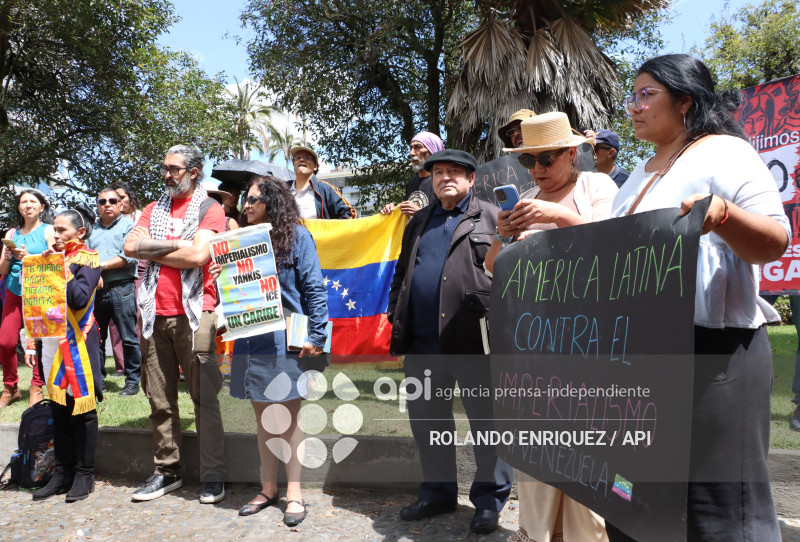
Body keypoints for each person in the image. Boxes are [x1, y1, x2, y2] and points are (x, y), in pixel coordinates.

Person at [607, 54, 789, 542]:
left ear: (685, 101)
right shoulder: (636, 175)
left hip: (713, 354)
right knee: (634, 500)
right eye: (632, 95)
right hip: (638, 360)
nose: (634, 106)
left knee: (718, 510)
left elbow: (775, 240)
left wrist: (723, 215)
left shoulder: (724, 152)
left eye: (647, 95)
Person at [486, 111, 618, 542]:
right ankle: (538, 533)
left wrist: (556, 216)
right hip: (535, 343)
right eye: (529, 161)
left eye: (546, 158)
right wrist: (504, 235)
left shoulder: (597, 186)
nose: (538, 170)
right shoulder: (525, 198)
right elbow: (493, 268)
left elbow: (615, 244)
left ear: (571, 154)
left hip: (588, 342)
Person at [387, 149, 512, 535]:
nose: (445, 177)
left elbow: (511, 274)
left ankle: (489, 501)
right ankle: (438, 494)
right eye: (438, 172)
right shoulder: (419, 221)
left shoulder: (493, 217)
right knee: (428, 424)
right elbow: (403, 271)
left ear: (471, 179)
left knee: (487, 425)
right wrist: (394, 312)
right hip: (422, 344)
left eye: (454, 171)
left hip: (475, 342)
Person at [219, 176, 328, 526]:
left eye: (253, 199)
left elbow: (314, 289)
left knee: (289, 418)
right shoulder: (240, 241)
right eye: (245, 200)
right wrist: (223, 288)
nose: (246, 205)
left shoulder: (298, 237)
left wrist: (317, 336)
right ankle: (268, 489)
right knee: (263, 417)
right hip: (251, 339)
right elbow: (234, 294)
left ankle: (294, 492)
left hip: (288, 339)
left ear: (272, 202)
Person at [123, 145, 227, 504]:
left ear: (193, 172)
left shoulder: (210, 209)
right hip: (153, 313)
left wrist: (152, 248)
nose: (167, 175)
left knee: (204, 398)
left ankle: (213, 475)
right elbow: (129, 246)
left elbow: (198, 256)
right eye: (164, 168)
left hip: (196, 312)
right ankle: (167, 471)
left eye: (174, 169)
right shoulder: (152, 209)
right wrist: (175, 246)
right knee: (159, 398)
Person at [27, 205, 102, 502]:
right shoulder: (49, 259)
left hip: (77, 341)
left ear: (80, 232)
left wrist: (59, 267)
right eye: (54, 230)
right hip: (49, 341)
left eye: (62, 230)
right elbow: (36, 301)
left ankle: (85, 474)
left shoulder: (88, 259)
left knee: (82, 411)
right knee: (58, 410)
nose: (55, 235)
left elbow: (79, 299)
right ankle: (62, 473)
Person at [0, 189, 55, 408]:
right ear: (18, 208)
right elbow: (3, 270)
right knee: (5, 341)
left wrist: (29, 257)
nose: (28, 205)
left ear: (42, 207)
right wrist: (7, 257)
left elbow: (56, 263)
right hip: (13, 291)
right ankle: (10, 388)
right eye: (24, 202)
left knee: (39, 340)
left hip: (39, 292)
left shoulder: (49, 230)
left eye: (33, 201)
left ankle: (36, 387)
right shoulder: (12, 233)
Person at [87, 187, 141, 396]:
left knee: (128, 338)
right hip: (96, 290)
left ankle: (133, 380)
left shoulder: (131, 228)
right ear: (98, 206)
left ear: (120, 204)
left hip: (122, 288)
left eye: (112, 201)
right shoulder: (90, 229)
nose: (107, 205)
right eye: (102, 202)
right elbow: (85, 255)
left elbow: (130, 257)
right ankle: (97, 380)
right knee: (96, 338)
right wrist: (93, 272)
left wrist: (99, 268)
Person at [381, 132, 445, 216]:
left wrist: (420, 213)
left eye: (418, 147)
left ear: (432, 151)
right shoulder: (411, 183)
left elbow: (448, 217)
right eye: (411, 148)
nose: (412, 153)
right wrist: (393, 209)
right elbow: (408, 216)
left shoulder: (443, 181)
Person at [288, 146, 356, 219]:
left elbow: (351, 213)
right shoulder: (282, 189)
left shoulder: (326, 189)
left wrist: (328, 226)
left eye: (307, 158)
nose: (301, 160)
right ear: (294, 164)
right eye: (298, 157)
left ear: (315, 166)